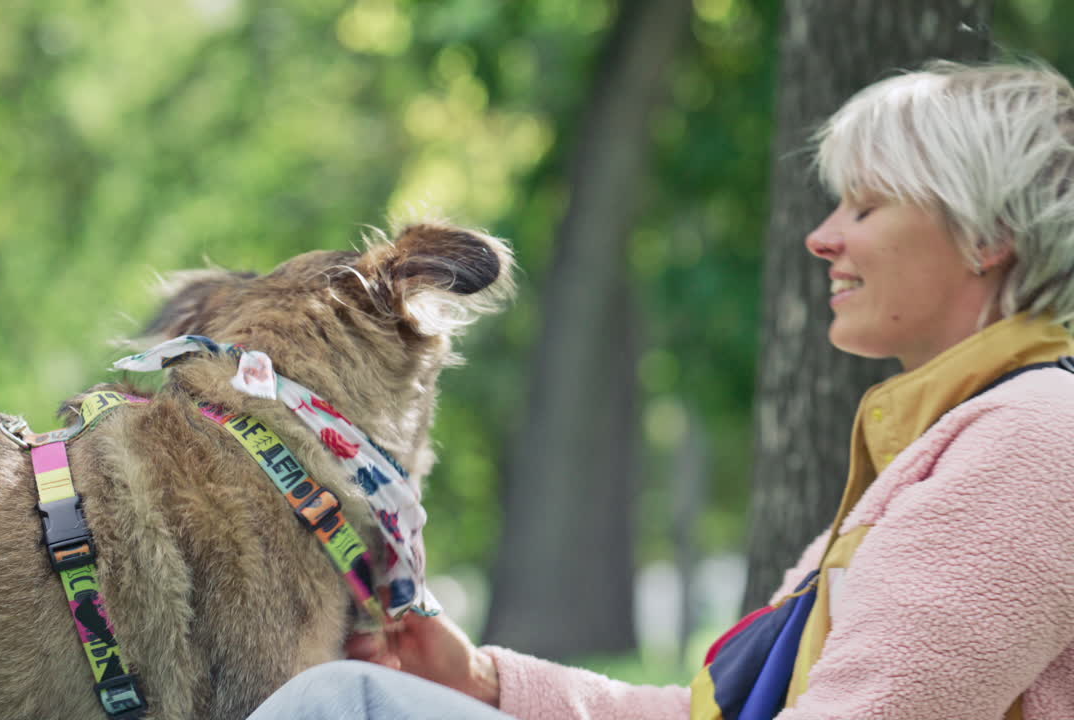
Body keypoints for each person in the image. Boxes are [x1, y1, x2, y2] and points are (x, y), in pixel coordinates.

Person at [248, 59, 1074, 720]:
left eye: (866, 206)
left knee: (342, 705)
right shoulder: (960, 439)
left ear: (989, 236)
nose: (823, 238)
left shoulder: (1031, 443)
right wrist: (484, 682)